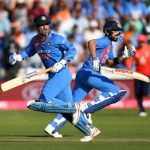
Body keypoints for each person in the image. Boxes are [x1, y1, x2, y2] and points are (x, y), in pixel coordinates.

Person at [9, 14, 100, 142]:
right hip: (52, 74)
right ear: (36, 27)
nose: (44, 27)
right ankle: (90, 130)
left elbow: (72, 49)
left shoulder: (57, 39)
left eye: (46, 25)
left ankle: (75, 108)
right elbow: (28, 51)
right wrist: (18, 57)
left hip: (62, 73)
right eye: (41, 26)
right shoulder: (35, 41)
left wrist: (62, 62)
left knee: (44, 100)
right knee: (68, 113)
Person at [44, 19, 136, 138]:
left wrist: (124, 56)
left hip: (84, 74)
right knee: (116, 92)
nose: (118, 34)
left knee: (72, 105)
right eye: (116, 31)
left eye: (119, 31)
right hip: (90, 73)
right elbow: (91, 42)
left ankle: (52, 126)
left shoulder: (109, 45)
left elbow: (111, 62)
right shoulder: (104, 41)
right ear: (108, 32)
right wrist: (95, 58)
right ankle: (85, 109)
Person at [125, 34, 150, 117]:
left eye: (142, 42)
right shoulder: (135, 50)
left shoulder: (149, 49)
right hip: (138, 74)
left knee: (145, 92)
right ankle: (141, 109)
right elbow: (129, 60)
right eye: (140, 42)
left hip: (148, 75)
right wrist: (128, 67)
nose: (141, 43)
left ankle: (146, 94)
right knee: (137, 93)